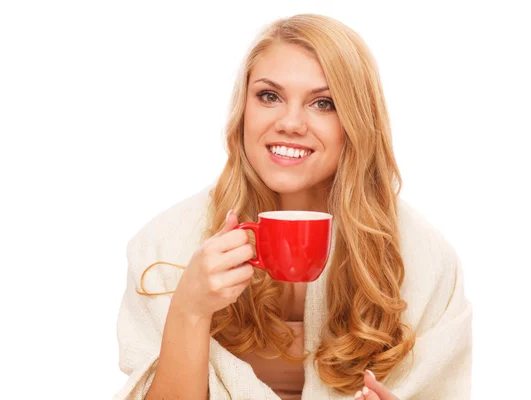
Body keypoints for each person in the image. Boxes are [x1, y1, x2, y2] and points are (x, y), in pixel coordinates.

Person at [114, 13, 472, 400]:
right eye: (269, 96)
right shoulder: (165, 246)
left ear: (356, 121)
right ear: (244, 109)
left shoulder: (425, 260)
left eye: (324, 103)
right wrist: (191, 309)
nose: (291, 123)